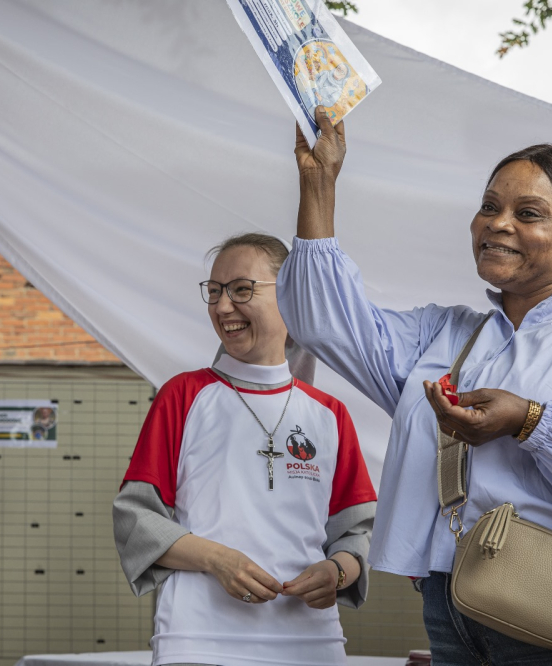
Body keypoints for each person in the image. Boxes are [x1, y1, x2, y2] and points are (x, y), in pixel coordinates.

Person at [276, 106, 552, 664]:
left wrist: (532, 422)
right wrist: (318, 183)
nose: (497, 223)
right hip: (459, 612)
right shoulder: (448, 336)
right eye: (489, 207)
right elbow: (321, 321)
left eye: (527, 213)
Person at [113, 233, 377, 666]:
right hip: (196, 638)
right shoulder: (183, 396)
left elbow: (356, 534)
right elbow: (136, 519)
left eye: (241, 289)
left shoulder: (329, 414)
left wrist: (336, 571)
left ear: (290, 296)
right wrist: (218, 559)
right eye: (215, 291)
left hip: (310, 641)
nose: (222, 307)